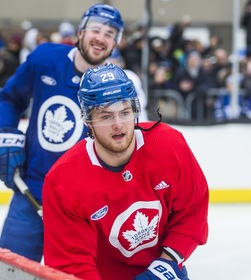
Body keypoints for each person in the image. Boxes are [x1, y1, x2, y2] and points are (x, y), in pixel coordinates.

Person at [42, 63, 209, 280]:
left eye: (125, 112)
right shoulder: (63, 180)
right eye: (105, 116)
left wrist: (165, 265)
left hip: (163, 269)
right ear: (87, 120)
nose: (118, 124)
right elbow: (71, 262)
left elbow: (192, 210)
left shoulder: (169, 145)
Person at [0, 4, 125, 262]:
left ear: (115, 43)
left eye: (110, 34)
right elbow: (9, 98)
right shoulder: (45, 59)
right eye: (96, 29)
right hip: (31, 191)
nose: (101, 38)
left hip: (82, 206)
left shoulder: (117, 84)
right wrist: (4, 137)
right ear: (81, 32)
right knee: (8, 269)